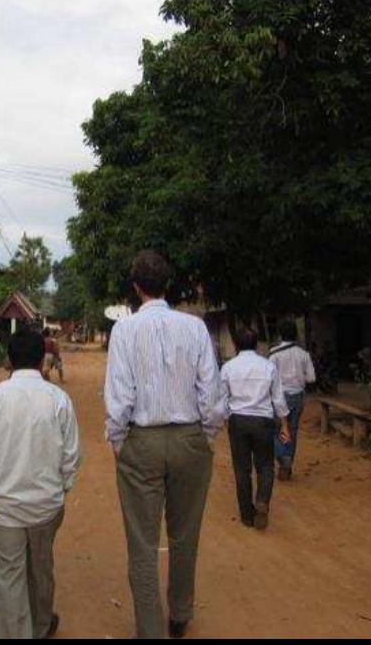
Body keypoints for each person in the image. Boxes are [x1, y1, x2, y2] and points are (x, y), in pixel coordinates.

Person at [104, 250, 226, 640]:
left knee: (142, 543)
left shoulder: (124, 331)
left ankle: (150, 629)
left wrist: (118, 440)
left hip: (142, 442)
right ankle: (180, 614)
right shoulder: (195, 328)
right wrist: (206, 436)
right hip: (191, 439)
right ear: (167, 284)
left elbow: (120, 396)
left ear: (136, 287)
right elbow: (212, 394)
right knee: (185, 534)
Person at [0, 329, 82, 639]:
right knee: (40, 569)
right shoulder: (58, 399)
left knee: (7, 577)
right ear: (43, 358)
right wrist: (59, 492)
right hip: (46, 506)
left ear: (9, 359)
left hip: (3, 507)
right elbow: (71, 456)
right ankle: (40, 626)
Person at [220, 328, 291, 530]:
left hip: (238, 421)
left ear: (236, 345)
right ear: (257, 344)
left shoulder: (228, 368)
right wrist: (284, 424)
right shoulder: (268, 366)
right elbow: (278, 398)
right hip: (263, 422)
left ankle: (247, 515)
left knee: (242, 470)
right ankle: (262, 501)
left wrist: (226, 419)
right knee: (265, 466)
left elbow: (222, 398)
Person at [268, 319, 316, 480]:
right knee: (292, 430)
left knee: (276, 429)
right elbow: (311, 378)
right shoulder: (304, 354)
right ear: (295, 334)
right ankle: (288, 462)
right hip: (298, 397)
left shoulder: (274, 353)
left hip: (279, 397)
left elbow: (269, 377)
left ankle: (283, 459)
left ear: (280, 335)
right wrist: (298, 377)